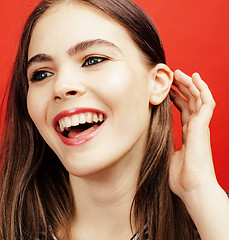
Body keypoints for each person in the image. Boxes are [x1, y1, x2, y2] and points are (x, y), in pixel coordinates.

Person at [0, 0, 228, 239]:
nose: (62, 86)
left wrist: (200, 192)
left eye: (93, 60)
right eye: (42, 74)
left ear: (158, 84)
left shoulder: (214, 215)